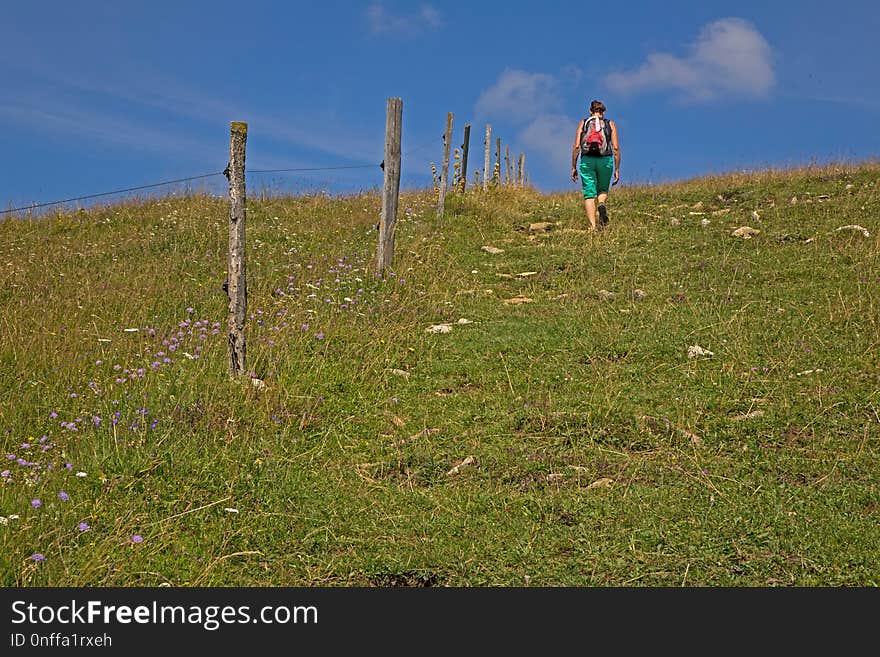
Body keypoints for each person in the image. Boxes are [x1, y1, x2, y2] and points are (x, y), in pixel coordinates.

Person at [570, 100, 620, 231]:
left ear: (591, 111)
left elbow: (576, 146)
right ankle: (602, 203)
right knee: (602, 189)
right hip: (605, 160)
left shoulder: (584, 123)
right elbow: (615, 147)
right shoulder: (610, 124)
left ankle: (592, 226)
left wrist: (573, 166)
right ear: (603, 112)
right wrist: (617, 168)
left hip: (588, 160)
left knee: (589, 194)